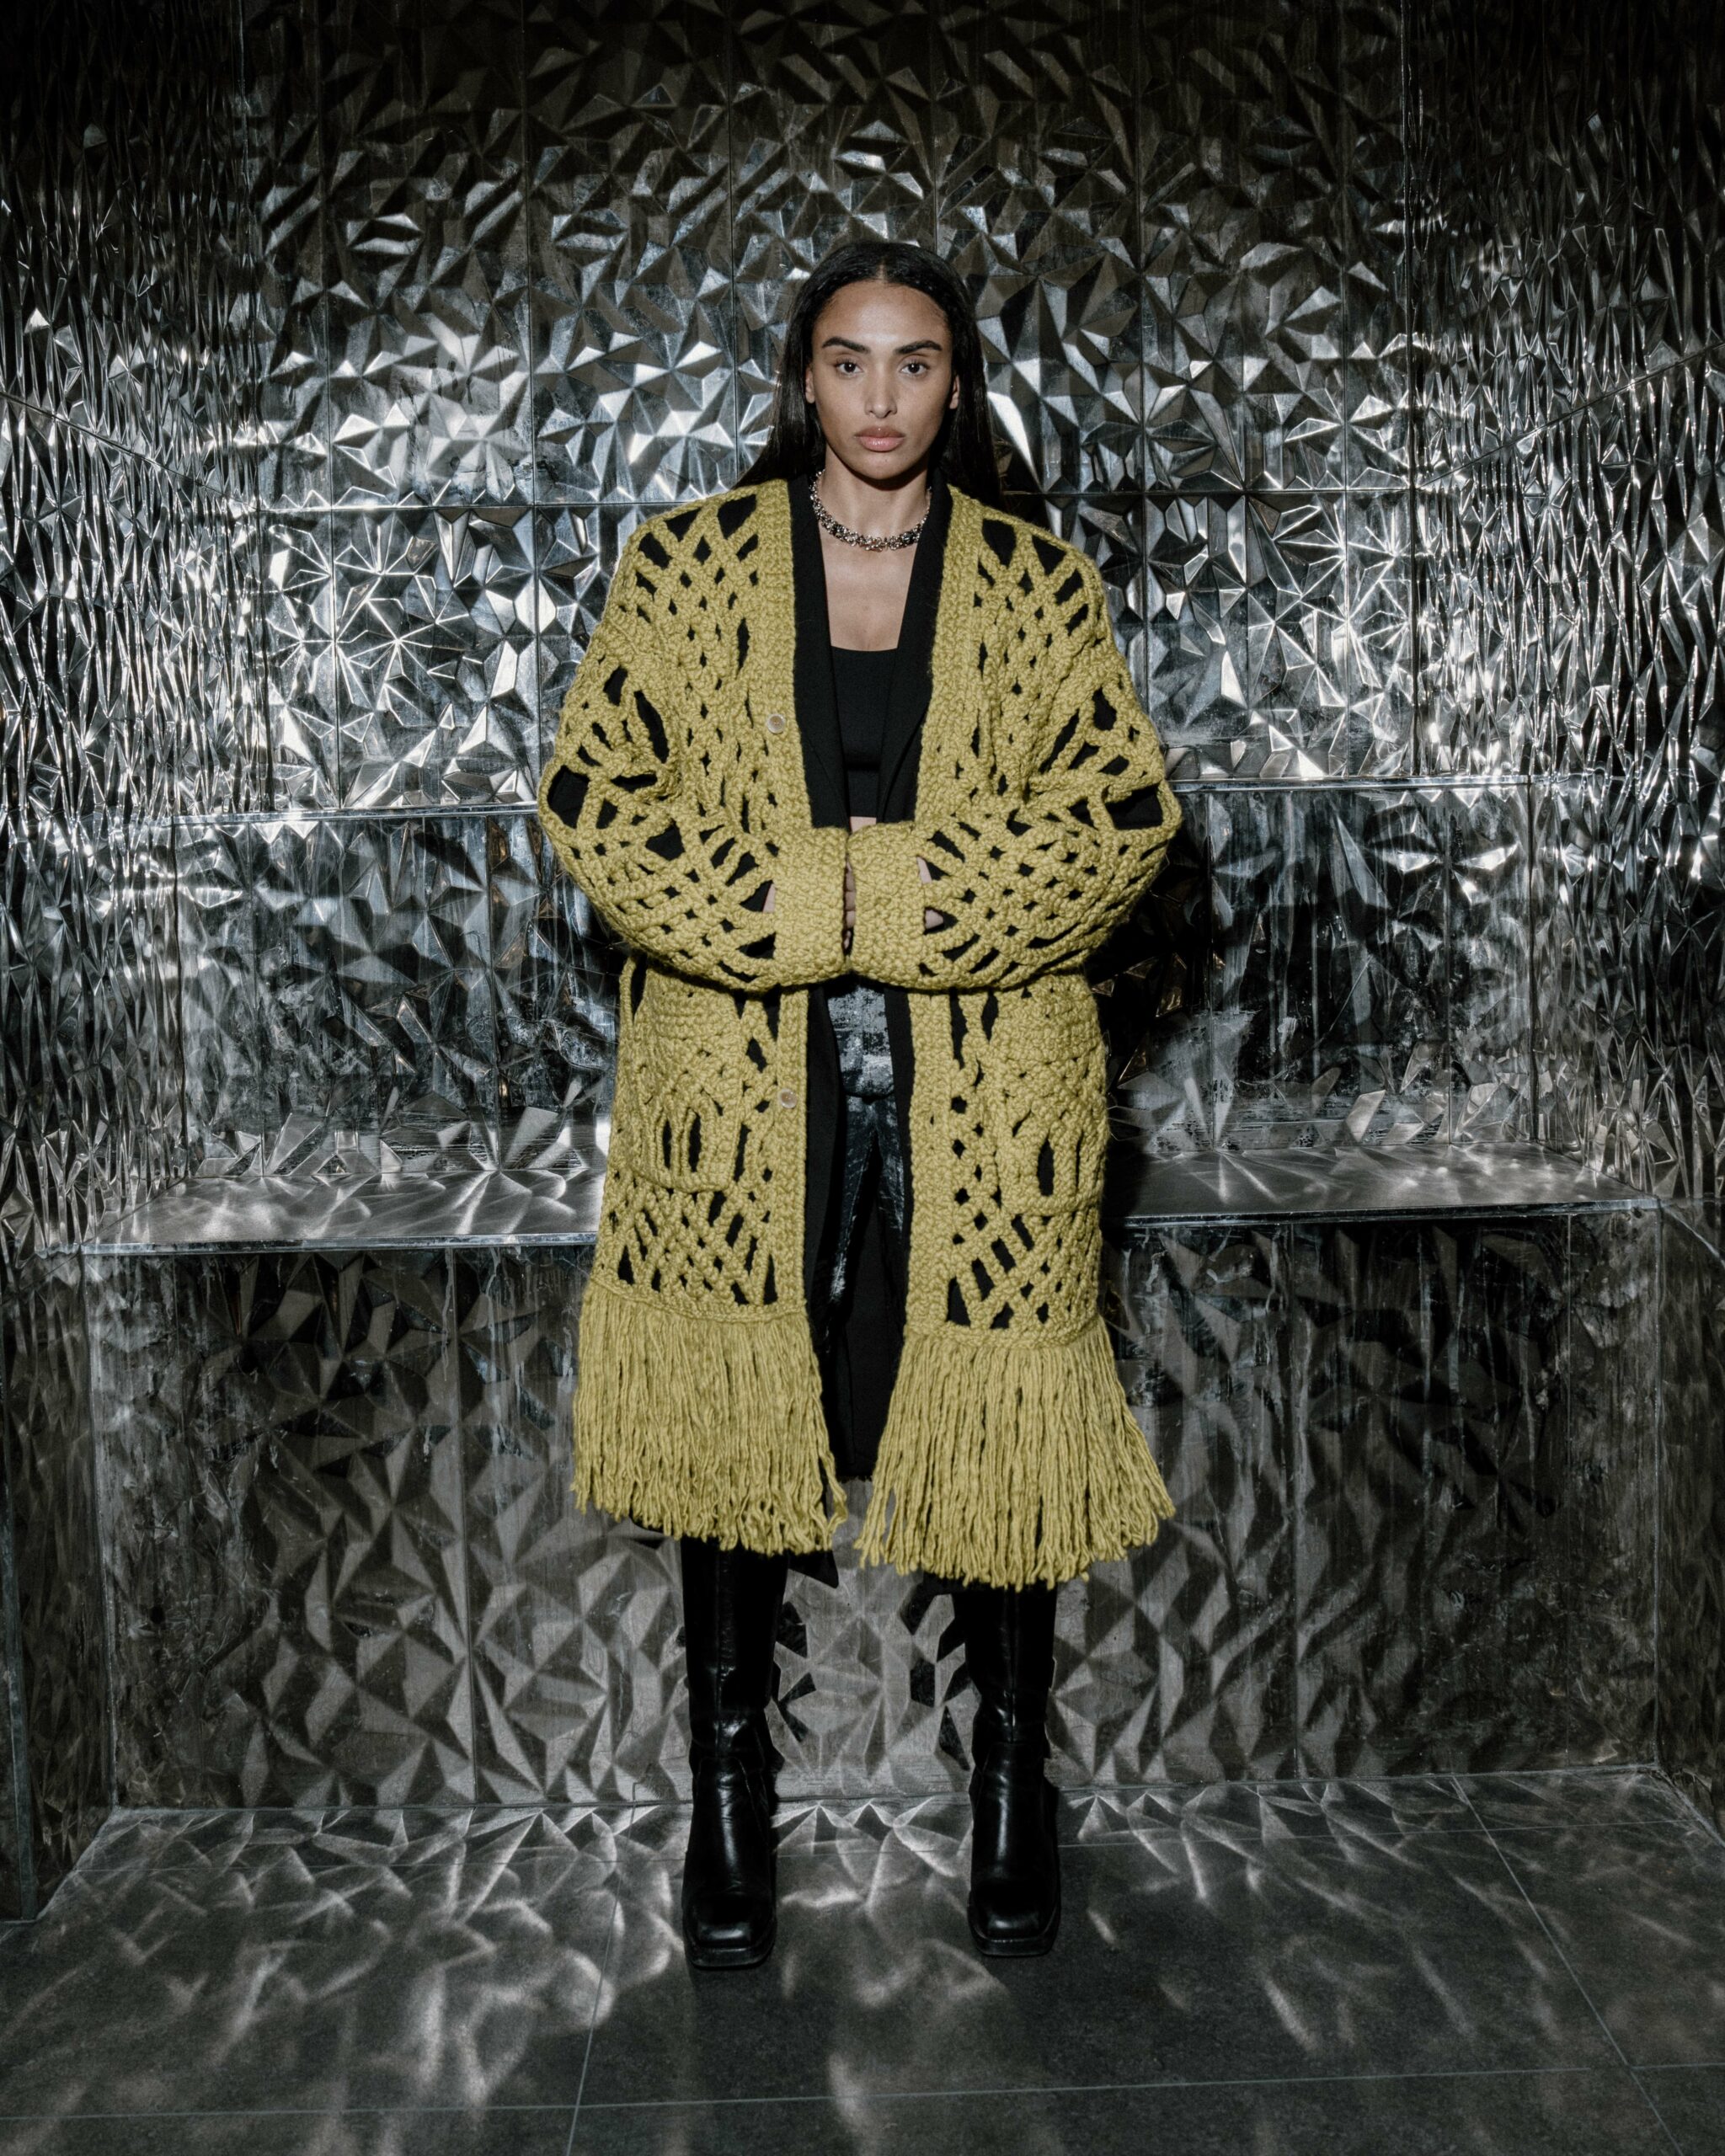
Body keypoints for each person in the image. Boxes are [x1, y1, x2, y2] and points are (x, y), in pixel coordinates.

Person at [536, 237, 1183, 1972]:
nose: (880, 397)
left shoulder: (1036, 585)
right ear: (801, 376)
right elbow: (594, 798)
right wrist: (805, 911)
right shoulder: (687, 566)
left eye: (914, 362)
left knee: (996, 1432)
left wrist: (865, 901)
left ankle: (1010, 1787)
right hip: (744, 1082)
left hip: (991, 1087)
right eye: (847, 360)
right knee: (734, 1441)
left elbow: (1122, 816)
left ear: (956, 383)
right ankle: (728, 1799)